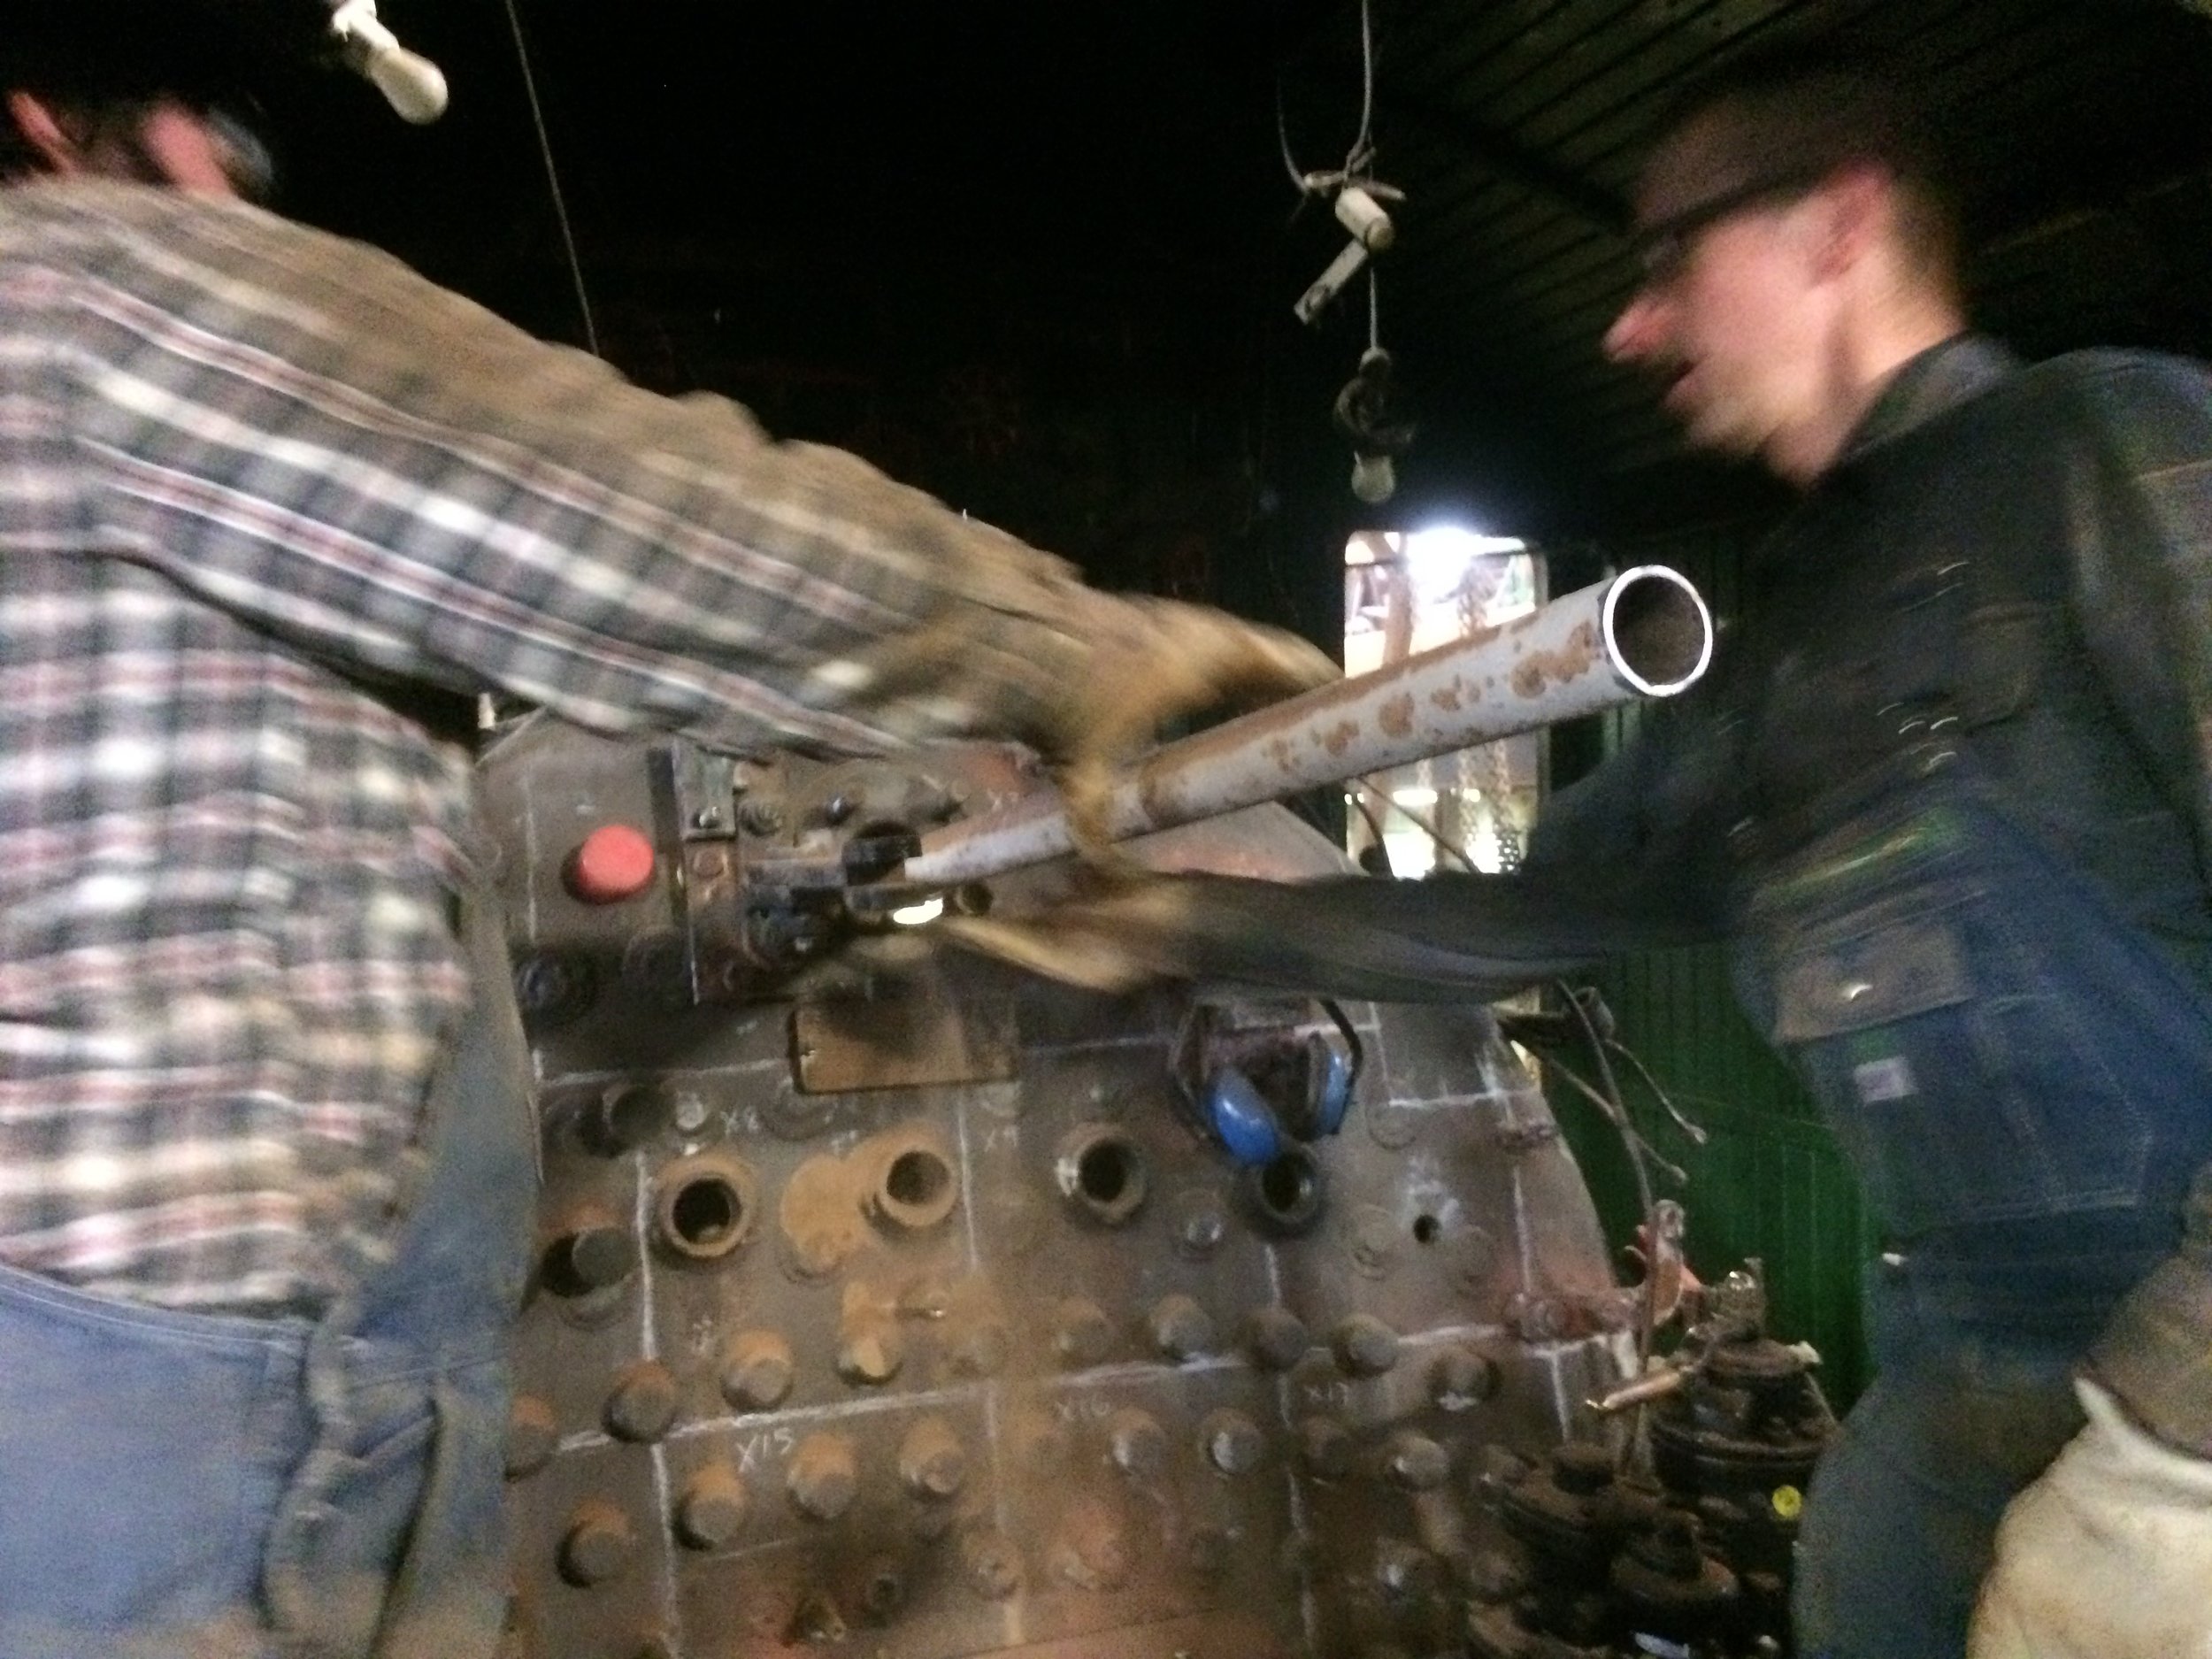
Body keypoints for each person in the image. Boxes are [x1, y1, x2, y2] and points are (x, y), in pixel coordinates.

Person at [0, 5, 1334, 1655]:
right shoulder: (82, 292)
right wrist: (1079, 656)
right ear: (45, 122)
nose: (236, 188)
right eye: (223, 129)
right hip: (158, 1421)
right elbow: (613, 511)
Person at [952, 42, 2212, 1659]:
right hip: (1960, 1394)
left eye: (1669, 262)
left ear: (1836, 226)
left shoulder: (2111, 450)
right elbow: (1512, 922)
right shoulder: (1790, 650)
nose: (1629, 327)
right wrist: (1161, 920)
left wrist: (2171, 1448)